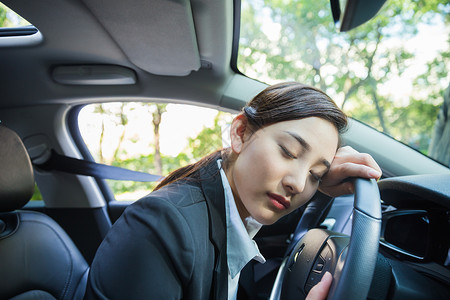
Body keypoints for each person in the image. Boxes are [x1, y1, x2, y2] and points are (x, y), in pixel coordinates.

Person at [84, 82, 381, 300]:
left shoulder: (240, 211)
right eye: (289, 152)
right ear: (241, 134)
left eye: (315, 174)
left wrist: (324, 184)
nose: (299, 184)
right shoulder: (160, 226)